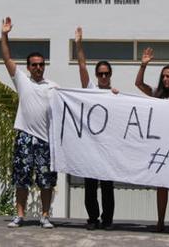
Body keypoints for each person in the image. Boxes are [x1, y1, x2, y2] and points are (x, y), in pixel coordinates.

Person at [1, 17, 59, 229]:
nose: (38, 68)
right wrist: (4, 34)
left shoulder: (53, 87)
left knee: (46, 181)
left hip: (46, 141)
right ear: (28, 67)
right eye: (34, 65)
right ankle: (19, 215)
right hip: (25, 136)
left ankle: (45, 216)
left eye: (41, 65)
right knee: (21, 179)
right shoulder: (22, 81)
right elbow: (6, 58)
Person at [135, 47, 169, 233]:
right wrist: (143, 64)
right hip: (160, 147)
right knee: (162, 186)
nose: (165, 79)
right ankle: (160, 222)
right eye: (163, 76)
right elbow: (138, 84)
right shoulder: (156, 94)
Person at [74, 26, 119, 231]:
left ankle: (107, 219)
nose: (103, 76)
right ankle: (93, 218)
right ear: (96, 75)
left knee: (107, 187)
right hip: (90, 146)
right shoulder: (90, 89)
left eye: (106, 74)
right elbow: (82, 65)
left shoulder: (115, 95)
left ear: (110, 75)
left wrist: (118, 97)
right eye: (100, 74)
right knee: (90, 186)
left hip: (107, 147)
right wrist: (79, 44)